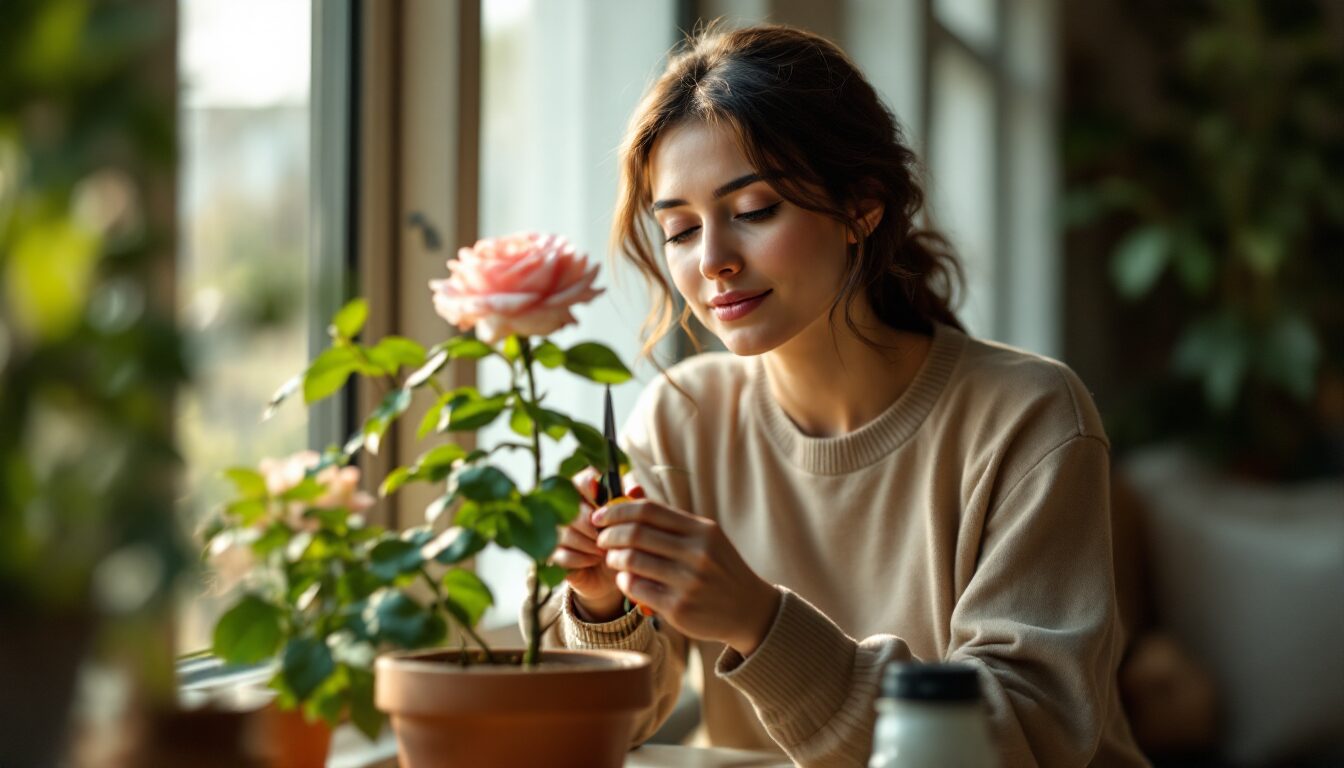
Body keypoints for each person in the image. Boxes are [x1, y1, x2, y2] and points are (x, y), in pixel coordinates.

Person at [532, 22, 1147, 768]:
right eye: (681, 229)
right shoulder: (681, 420)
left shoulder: (1030, 416)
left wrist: (761, 623)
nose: (714, 261)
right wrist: (604, 603)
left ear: (862, 206)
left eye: (754, 210)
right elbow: (622, 722)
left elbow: (1018, 741)